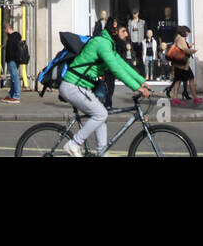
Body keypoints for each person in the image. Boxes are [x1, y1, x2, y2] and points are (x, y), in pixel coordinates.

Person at [58, 24, 151, 157]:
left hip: (81, 87)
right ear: (114, 32)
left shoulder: (109, 46)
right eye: (124, 31)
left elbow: (122, 65)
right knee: (101, 114)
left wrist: (141, 81)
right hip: (73, 86)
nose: (126, 34)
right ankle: (73, 144)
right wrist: (137, 88)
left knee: (101, 116)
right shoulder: (102, 44)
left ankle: (102, 153)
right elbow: (116, 70)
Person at [165, 26, 201, 104]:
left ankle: (175, 98)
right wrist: (193, 51)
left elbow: (180, 48)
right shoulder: (181, 39)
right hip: (183, 65)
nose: (188, 34)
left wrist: (188, 46)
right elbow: (185, 50)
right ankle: (195, 98)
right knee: (191, 78)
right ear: (184, 31)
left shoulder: (177, 38)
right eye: (187, 32)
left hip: (177, 64)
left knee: (178, 80)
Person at [1, 21, 23, 103]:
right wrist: (5, 46)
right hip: (16, 60)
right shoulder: (16, 36)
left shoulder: (11, 38)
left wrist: (8, 58)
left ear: (7, 29)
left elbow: (11, 49)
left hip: (12, 60)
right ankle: (11, 95)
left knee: (15, 78)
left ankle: (16, 96)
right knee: (13, 78)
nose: (4, 32)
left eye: (4, 30)